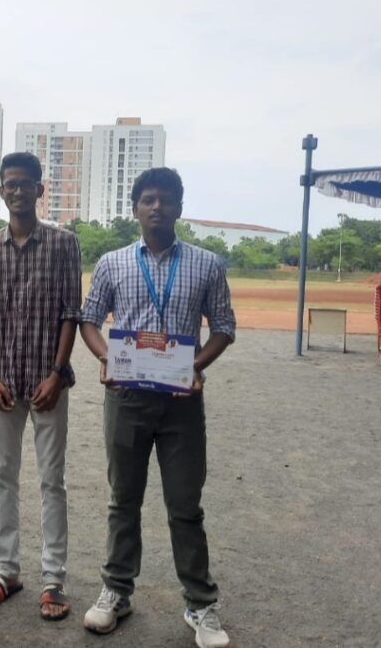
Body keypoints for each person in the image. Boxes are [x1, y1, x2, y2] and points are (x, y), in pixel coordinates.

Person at [78, 167, 235, 648]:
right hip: (126, 399)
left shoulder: (208, 264)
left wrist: (195, 366)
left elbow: (224, 327)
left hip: (181, 403)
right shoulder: (112, 263)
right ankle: (117, 592)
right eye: (147, 199)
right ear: (134, 208)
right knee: (122, 500)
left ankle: (200, 605)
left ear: (179, 207)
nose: (156, 207)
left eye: (166, 200)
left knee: (185, 506)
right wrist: (107, 358)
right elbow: (88, 321)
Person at [0, 152, 82, 621]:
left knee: (51, 481)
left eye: (25, 183)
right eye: (8, 184)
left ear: (41, 189)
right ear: (0, 192)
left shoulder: (63, 244)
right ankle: (7, 571)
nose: (16, 191)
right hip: (4, 385)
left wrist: (57, 374)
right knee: (3, 477)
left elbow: (69, 313)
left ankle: (53, 578)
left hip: (47, 383)